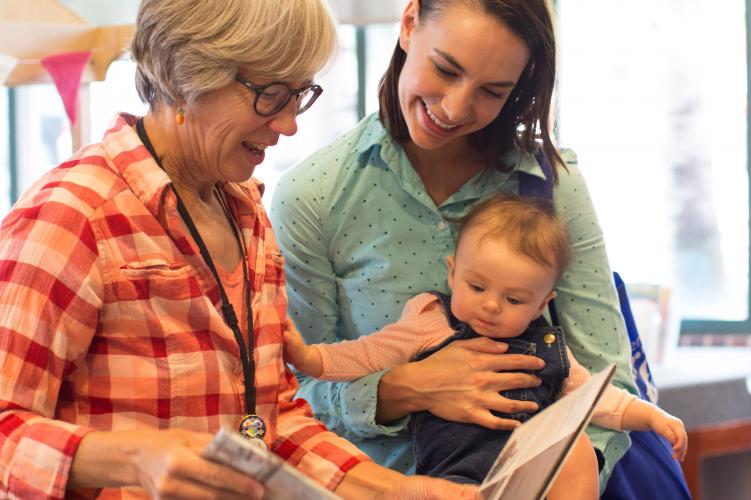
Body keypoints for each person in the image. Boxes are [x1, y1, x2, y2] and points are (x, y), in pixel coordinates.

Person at [0, 0, 475, 498]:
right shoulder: (75, 216)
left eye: (300, 95)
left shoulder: (245, 211)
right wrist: (133, 458)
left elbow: (268, 420)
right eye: (271, 95)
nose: (289, 124)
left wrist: (395, 490)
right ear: (184, 72)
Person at [271, 0, 641, 489]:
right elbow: (293, 394)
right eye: (446, 69)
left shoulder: (552, 185)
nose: (455, 108)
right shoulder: (314, 195)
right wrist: (407, 388)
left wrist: (560, 478)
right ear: (408, 24)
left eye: (492, 91)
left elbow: (605, 383)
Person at [282, 193, 688, 496]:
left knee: (578, 449)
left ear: (541, 304)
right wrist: (310, 357)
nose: (491, 306)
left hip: (528, 476)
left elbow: (598, 398)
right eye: (477, 287)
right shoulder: (431, 322)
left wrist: (652, 417)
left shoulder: (547, 346)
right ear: (453, 273)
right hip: (455, 478)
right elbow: (367, 353)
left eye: (514, 300)